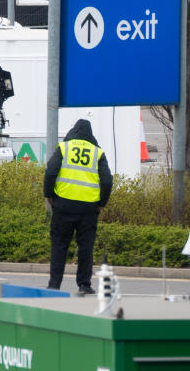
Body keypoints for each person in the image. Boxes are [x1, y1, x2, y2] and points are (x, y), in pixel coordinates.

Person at [43, 118, 113, 295]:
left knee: (59, 246)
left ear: (73, 132)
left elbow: (50, 172)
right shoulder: (97, 153)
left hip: (63, 206)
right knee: (85, 247)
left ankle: (54, 285)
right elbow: (106, 181)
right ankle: (84, 285)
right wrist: (101, 203)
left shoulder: (64, 148)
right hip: (88, 210)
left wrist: (49, 195)